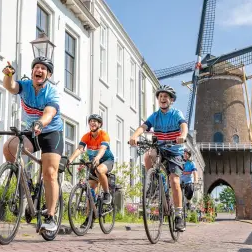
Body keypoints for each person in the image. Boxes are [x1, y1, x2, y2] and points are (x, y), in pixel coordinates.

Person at [2, 57, 63, 233]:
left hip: (51, 132)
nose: (39, 70)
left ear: (48, 74)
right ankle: (26, 183)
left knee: (49, 172)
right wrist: (8, 75)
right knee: (9, 147)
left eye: (43, 68)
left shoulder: (52, 92)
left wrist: (41, 123)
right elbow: (11, 86)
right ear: (32, 72)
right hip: (32, 130)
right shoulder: (26, 86)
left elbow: (50, 112)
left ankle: (50, 217)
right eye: (36, 67)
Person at [129, 84, 188, 232]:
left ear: (171, 100)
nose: (163, 99)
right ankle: (154, 181)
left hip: (175, 150)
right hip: (161, 148)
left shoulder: (176, 113)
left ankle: (179, 216)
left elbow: (183, 126)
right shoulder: (155, 116)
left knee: (174, 181)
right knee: (148, 155)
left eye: (166, 97)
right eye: (161, 96)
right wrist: (134, 136)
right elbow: (143, 127)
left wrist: (182, 136)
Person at [68, 114, 115, 228]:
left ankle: (107, 194)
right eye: (91, 121)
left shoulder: (104, 135)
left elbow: (103, 148)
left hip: (106, 161)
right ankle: (89, 217)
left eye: (95, 121)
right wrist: (70, 159)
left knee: (99, 170)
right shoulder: (86, 136)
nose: (93, 123)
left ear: (100, 124)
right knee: (90, 192)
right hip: (93, 163)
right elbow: (80, 149)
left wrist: (98, 158)